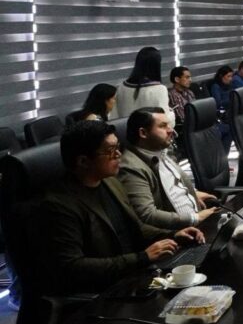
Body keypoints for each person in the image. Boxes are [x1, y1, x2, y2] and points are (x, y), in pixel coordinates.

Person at [36, 121, 204, 295]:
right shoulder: (58, 205)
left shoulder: (110, 182)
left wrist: (173, 235)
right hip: (104, 292)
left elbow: (136, 228)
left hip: (134, 276)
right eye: (110, 151)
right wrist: (141, 257)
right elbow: (72, 266)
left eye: (118, 147)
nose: (118, 154)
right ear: (83, 161)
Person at [118, 108, 219, 229]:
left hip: (197, 219)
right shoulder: (131, 167)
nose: (171, 130)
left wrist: (193, 193)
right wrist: (195, 218)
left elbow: (174, 183)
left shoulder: (162, 150)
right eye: (163, 126)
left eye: (169, 125)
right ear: (143, 133)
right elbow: (147, 214)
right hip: (179, 232)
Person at [112, 46, 174, 128]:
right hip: (150, 134)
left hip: (126, 133)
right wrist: (172, 114)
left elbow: (114, 117)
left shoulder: (121, 87)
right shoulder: (159, 89)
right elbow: (166, 123)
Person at [209, 64, 234, 153]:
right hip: (223, 113)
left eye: (231, 76)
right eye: (228, 76)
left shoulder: (230, 85)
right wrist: (232, 99)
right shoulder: (216, 86)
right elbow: (218, 103)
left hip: (231, 109)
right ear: (221, 76)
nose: (230, 79)